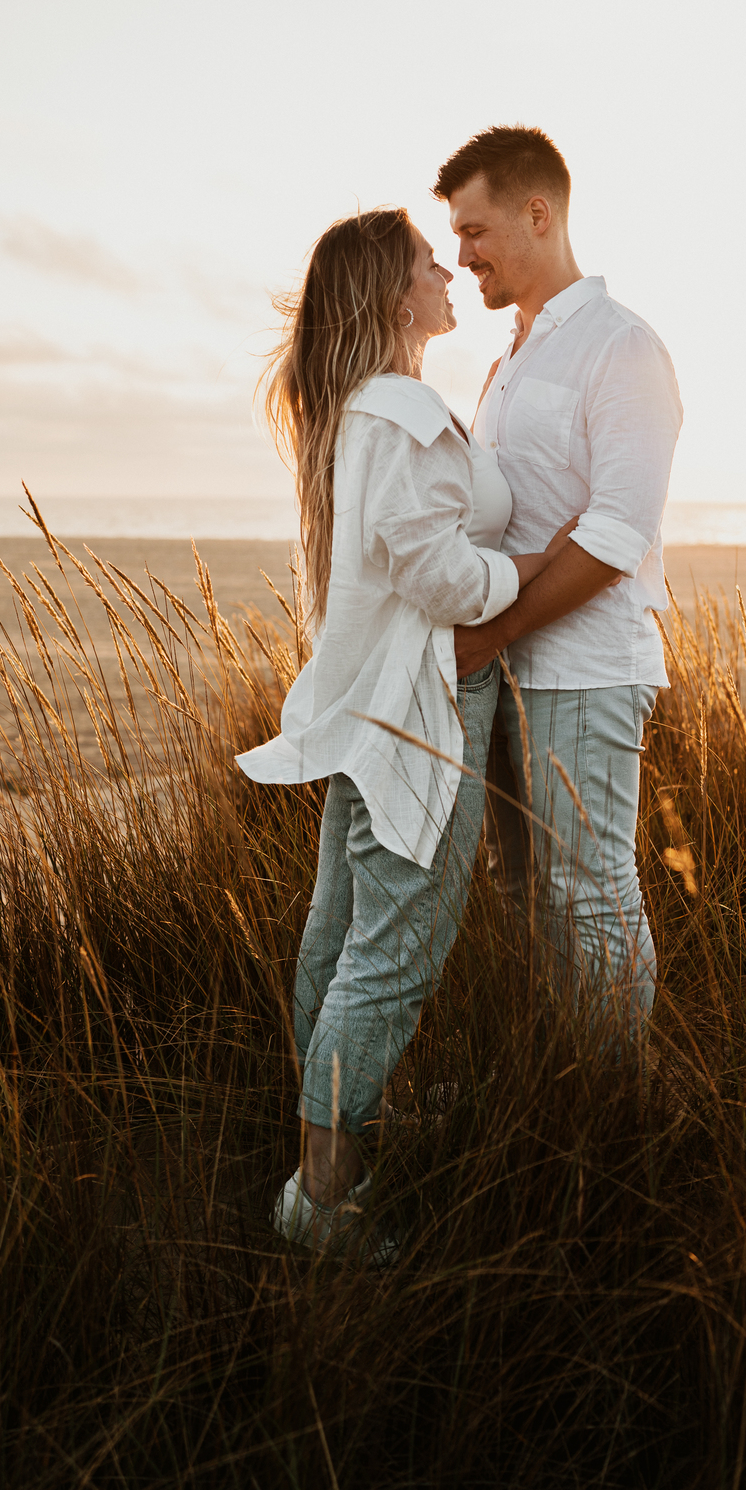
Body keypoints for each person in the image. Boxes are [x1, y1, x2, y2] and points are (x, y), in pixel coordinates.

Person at [237, 207, 578, 1251]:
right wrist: (531, 570)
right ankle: (326, 1203)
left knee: (341, 941)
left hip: (376, 710)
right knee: (391, 953)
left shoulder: (367, 411)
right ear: (396, 296)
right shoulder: (400, 409)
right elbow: (432, 570)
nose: (446, 272)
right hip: (424, 714)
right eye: (429, 263)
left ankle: (331, 1152)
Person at [432, 126, 683, 1045]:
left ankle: (620, 1113)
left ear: (539, 214)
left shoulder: (621, 349)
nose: (461, 258)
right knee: (519, 886)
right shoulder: (509, 359)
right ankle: (556, 1085)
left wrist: (493, 633)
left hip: (581, 668)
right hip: (505, 671)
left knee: (592, 890)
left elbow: (617, 534)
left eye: (475, 231)